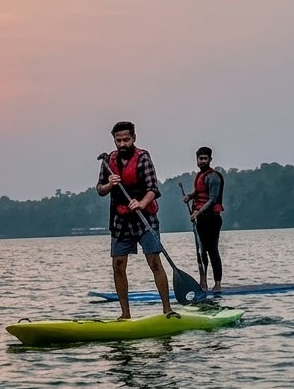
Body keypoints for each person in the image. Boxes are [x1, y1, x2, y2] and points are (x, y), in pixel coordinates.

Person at [96, 121, 178, 320]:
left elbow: (153, 189)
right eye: (119, 140)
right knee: (118, 265)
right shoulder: (108, 161)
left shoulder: (143, 158)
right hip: (120, 220)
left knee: (154, 262)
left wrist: (141, 203)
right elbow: (100, 190)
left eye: (126, 139)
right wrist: (110, 184)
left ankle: (167, 310)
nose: (122, 144)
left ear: (134, 138)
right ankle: (125, 314)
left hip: (145, 218)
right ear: (114, 140)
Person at [184, 146, 224, 293]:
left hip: (212, 219)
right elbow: (199, 191)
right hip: (200, 219)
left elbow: (213, 199)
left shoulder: (213, 177)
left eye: (205, 158)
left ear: (210, 159)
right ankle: (203, 282)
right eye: (200, 159)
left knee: (212, 250)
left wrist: (197, 212)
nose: (202, 161)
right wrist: (190, 196)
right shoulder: (200, 175)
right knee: (201, 251)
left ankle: (218, 284)